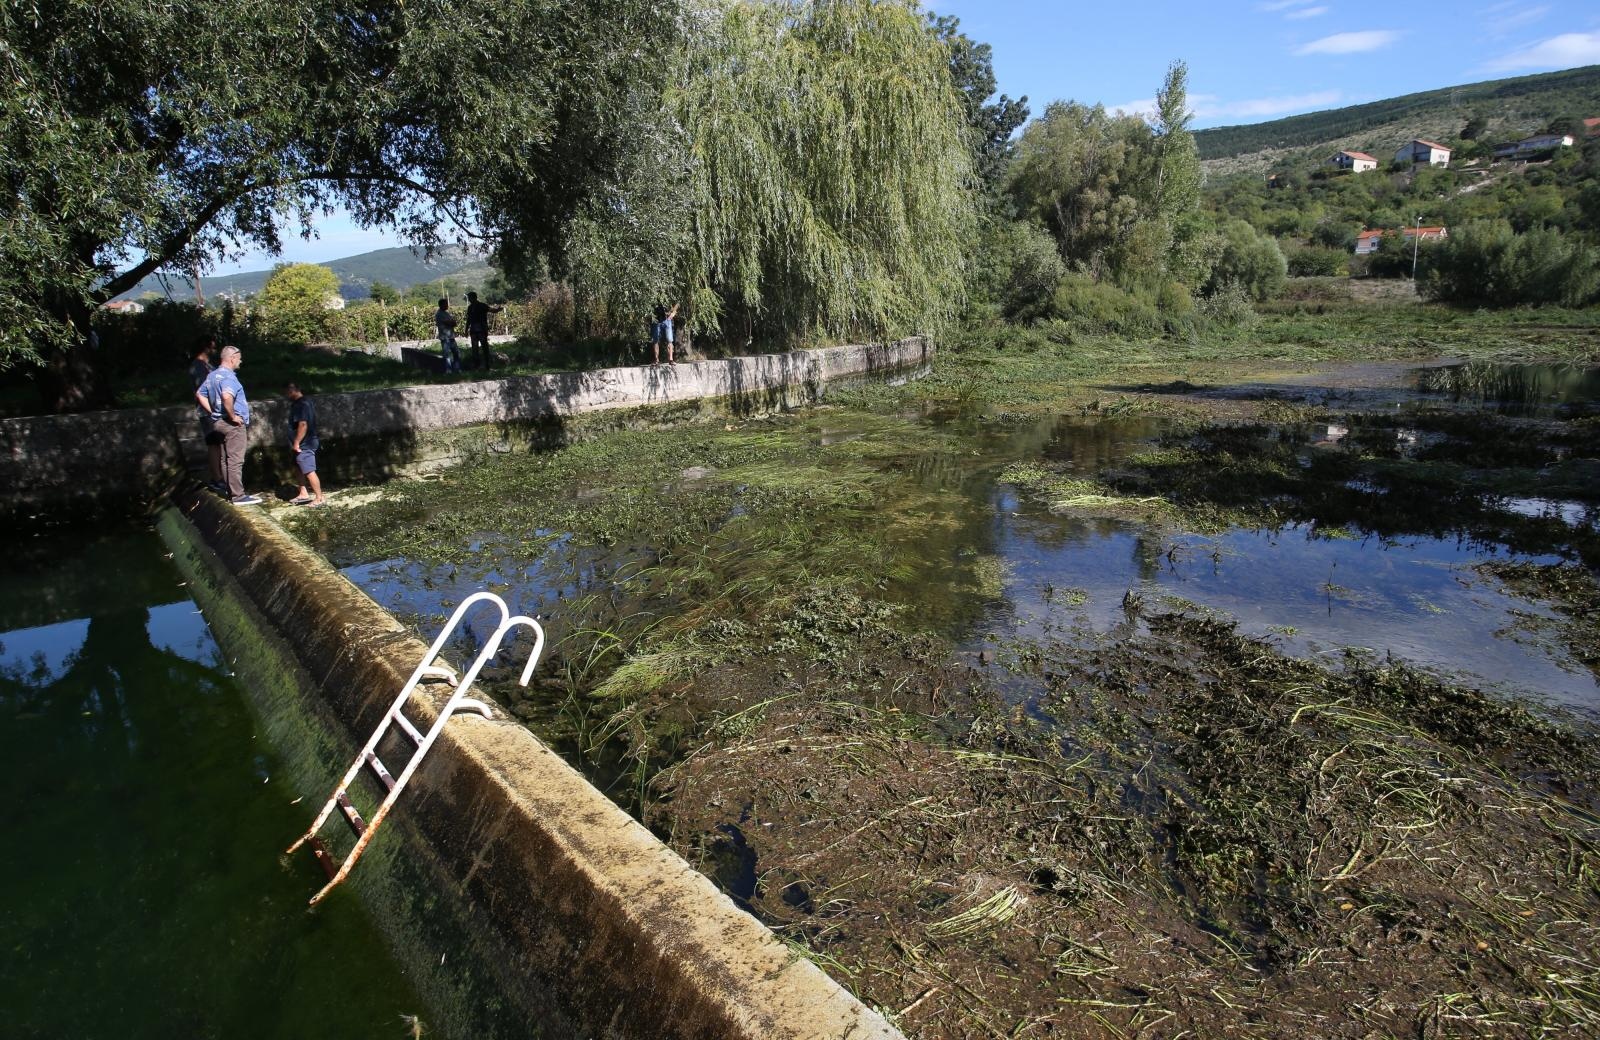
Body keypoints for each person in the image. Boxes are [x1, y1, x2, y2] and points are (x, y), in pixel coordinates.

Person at [202, 346, 260, 504]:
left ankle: (230, 491)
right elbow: (227, 396)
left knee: (225, 459)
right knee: (235, 459)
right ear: (232, 358)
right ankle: (238, 496)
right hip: (231, 424)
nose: (240, 361)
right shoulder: (229, 377)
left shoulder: (212, 375)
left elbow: (200, 395)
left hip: (218, 423)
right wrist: (233, 416)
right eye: (239, 358)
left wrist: (214, 411)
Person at [189, 335, 224, 491]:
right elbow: (203, 391)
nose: (215, 350)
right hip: (208, 412)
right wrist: (212, 411)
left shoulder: (207, 365)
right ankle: (217, 478)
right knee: (214, 444)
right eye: (213, 347)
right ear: (206, 348)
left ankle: (220, 477)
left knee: (218, 443)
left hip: (215, 410)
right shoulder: (198, 366)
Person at [285, 382, 325, 507]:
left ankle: (319, 498)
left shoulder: (301, 405)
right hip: (302, 443)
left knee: (308, 470)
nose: (286, 394)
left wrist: (297, 442)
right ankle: (303, 493)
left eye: (287, 391)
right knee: (299, 467)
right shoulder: (302, 402)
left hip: (305, 443)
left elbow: (303, 424)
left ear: (293, 390)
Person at [464, 291, 502, 371]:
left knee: (484, 348)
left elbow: (492, 310)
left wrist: (497, 310)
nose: (469, 299)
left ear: (474, 297)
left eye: (470, 298)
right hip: (474, 331)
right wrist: (466, 329)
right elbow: (469, 319)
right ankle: (477, 366)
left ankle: (487, 366)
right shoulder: (470, 307)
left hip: (481, 330)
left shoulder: (482, 305)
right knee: (475, 349)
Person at [435, 298, 461, 373]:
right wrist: (452, 322)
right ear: (441, 305)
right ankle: (449, 370)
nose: (447, 305)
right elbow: (450, 323)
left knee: (456, 353)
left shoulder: (446, 313)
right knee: (447, 355)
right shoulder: (439, 314)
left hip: (451, 336)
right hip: (445, 338)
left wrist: (452, 322)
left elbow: (454, 323)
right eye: (446, 304)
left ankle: (457, 369)